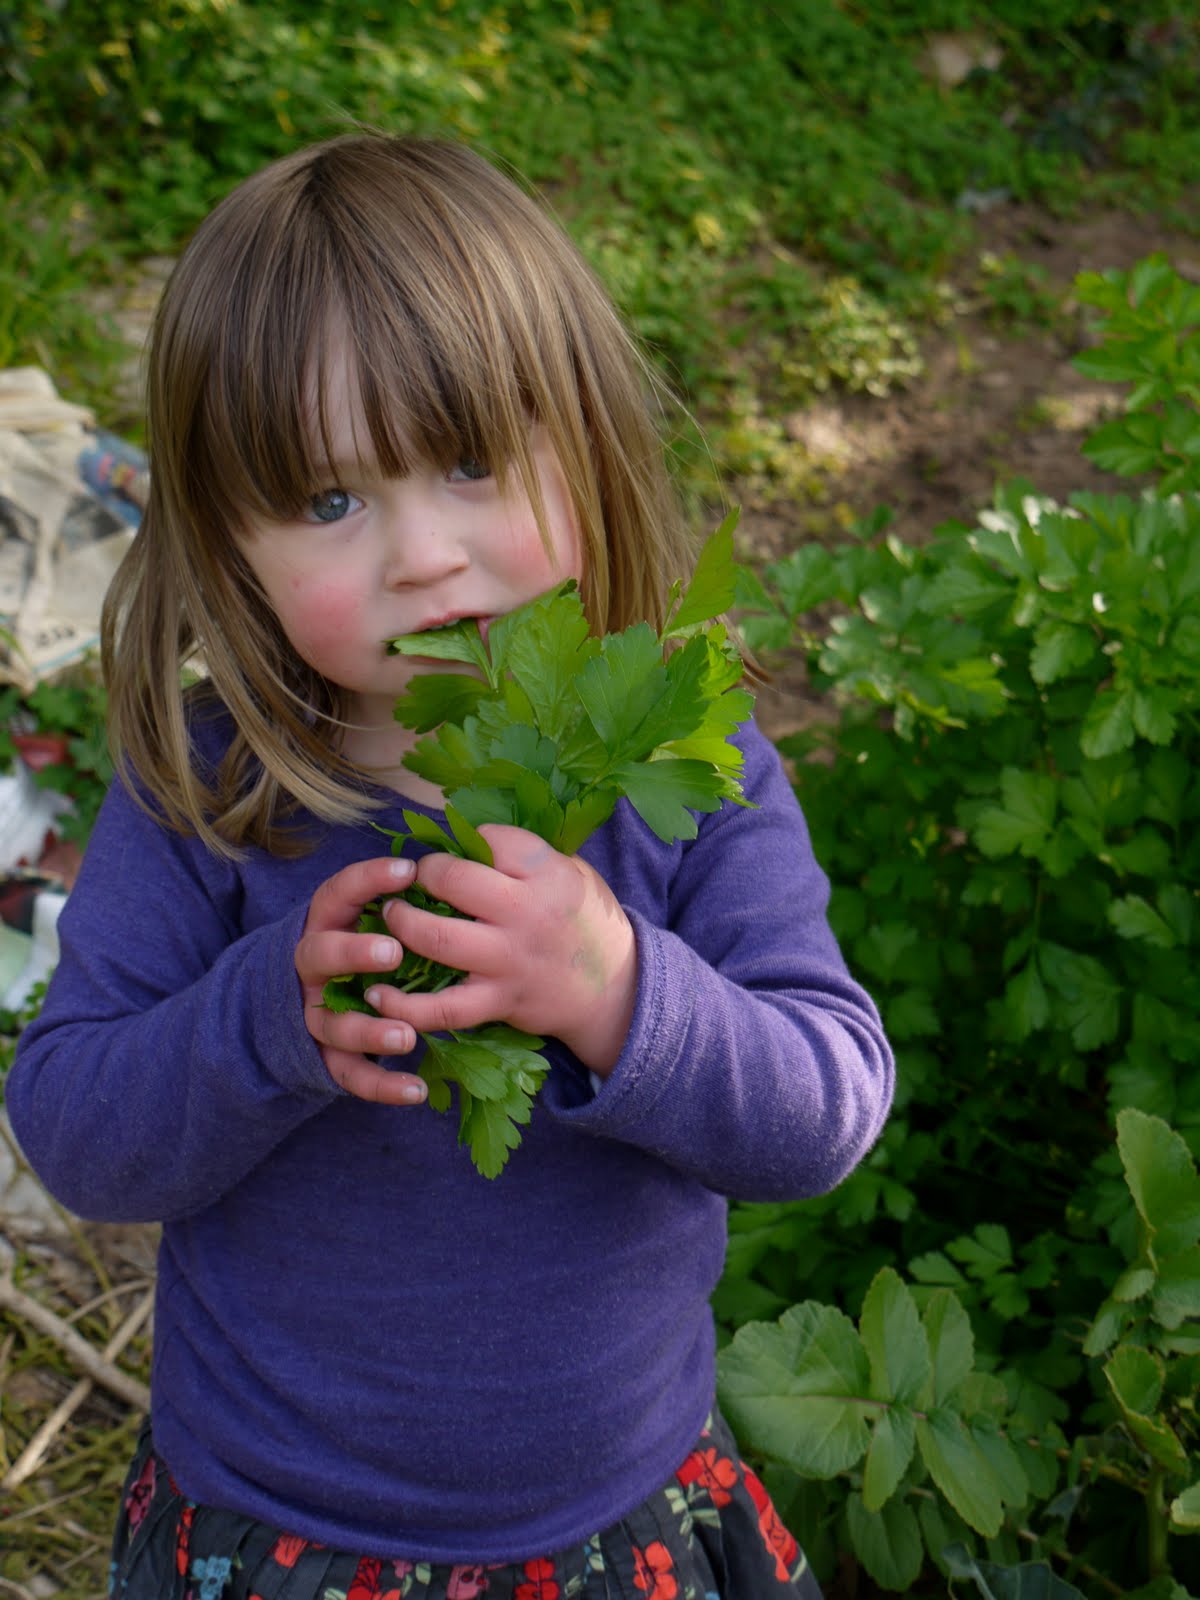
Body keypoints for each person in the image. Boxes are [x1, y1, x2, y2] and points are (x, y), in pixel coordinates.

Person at [8, 134, 894, 1600]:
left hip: (607, 1524)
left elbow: (824, 1107)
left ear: (591, 437)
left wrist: (619, 994)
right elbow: (75, 1135)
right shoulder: (211, 796)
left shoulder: (683, 765)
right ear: (225, 546)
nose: (427, 557)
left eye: (474, 462)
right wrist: (261, 1025)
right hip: (278, 1531)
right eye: (331, 503)